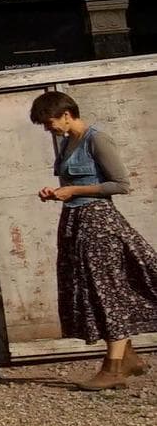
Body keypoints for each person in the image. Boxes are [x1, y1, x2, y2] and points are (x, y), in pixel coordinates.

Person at [30, 89, 157, 388]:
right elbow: (76, 181)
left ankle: (113, 369)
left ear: (66, 114)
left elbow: (121, 184)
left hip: (99, 223)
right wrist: (57, 193)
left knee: (107, 290)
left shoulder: (96, 139)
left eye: (50, 122)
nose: (48, 129)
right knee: (89, 288)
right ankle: (128, 357)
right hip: (76, 222)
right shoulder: (65, 143)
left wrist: (74, 191)